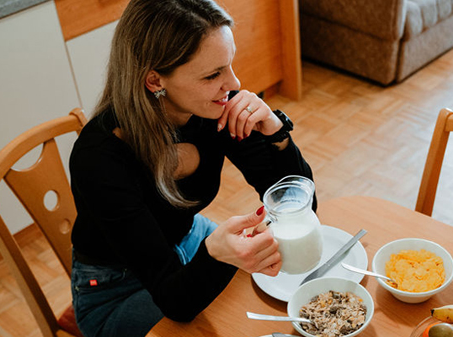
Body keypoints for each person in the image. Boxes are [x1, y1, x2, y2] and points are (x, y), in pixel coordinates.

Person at [67, 0, 314, 336]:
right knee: (230, 327)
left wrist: (274, 128)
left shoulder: (212, 108)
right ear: (154, 81)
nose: (233, 82)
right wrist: (215, 254)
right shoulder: (100, 159)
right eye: (213, 74)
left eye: (229, 64)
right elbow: (176, 302)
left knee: (272, 296)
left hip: (190, 239)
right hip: (116, 288)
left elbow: (301, 206)